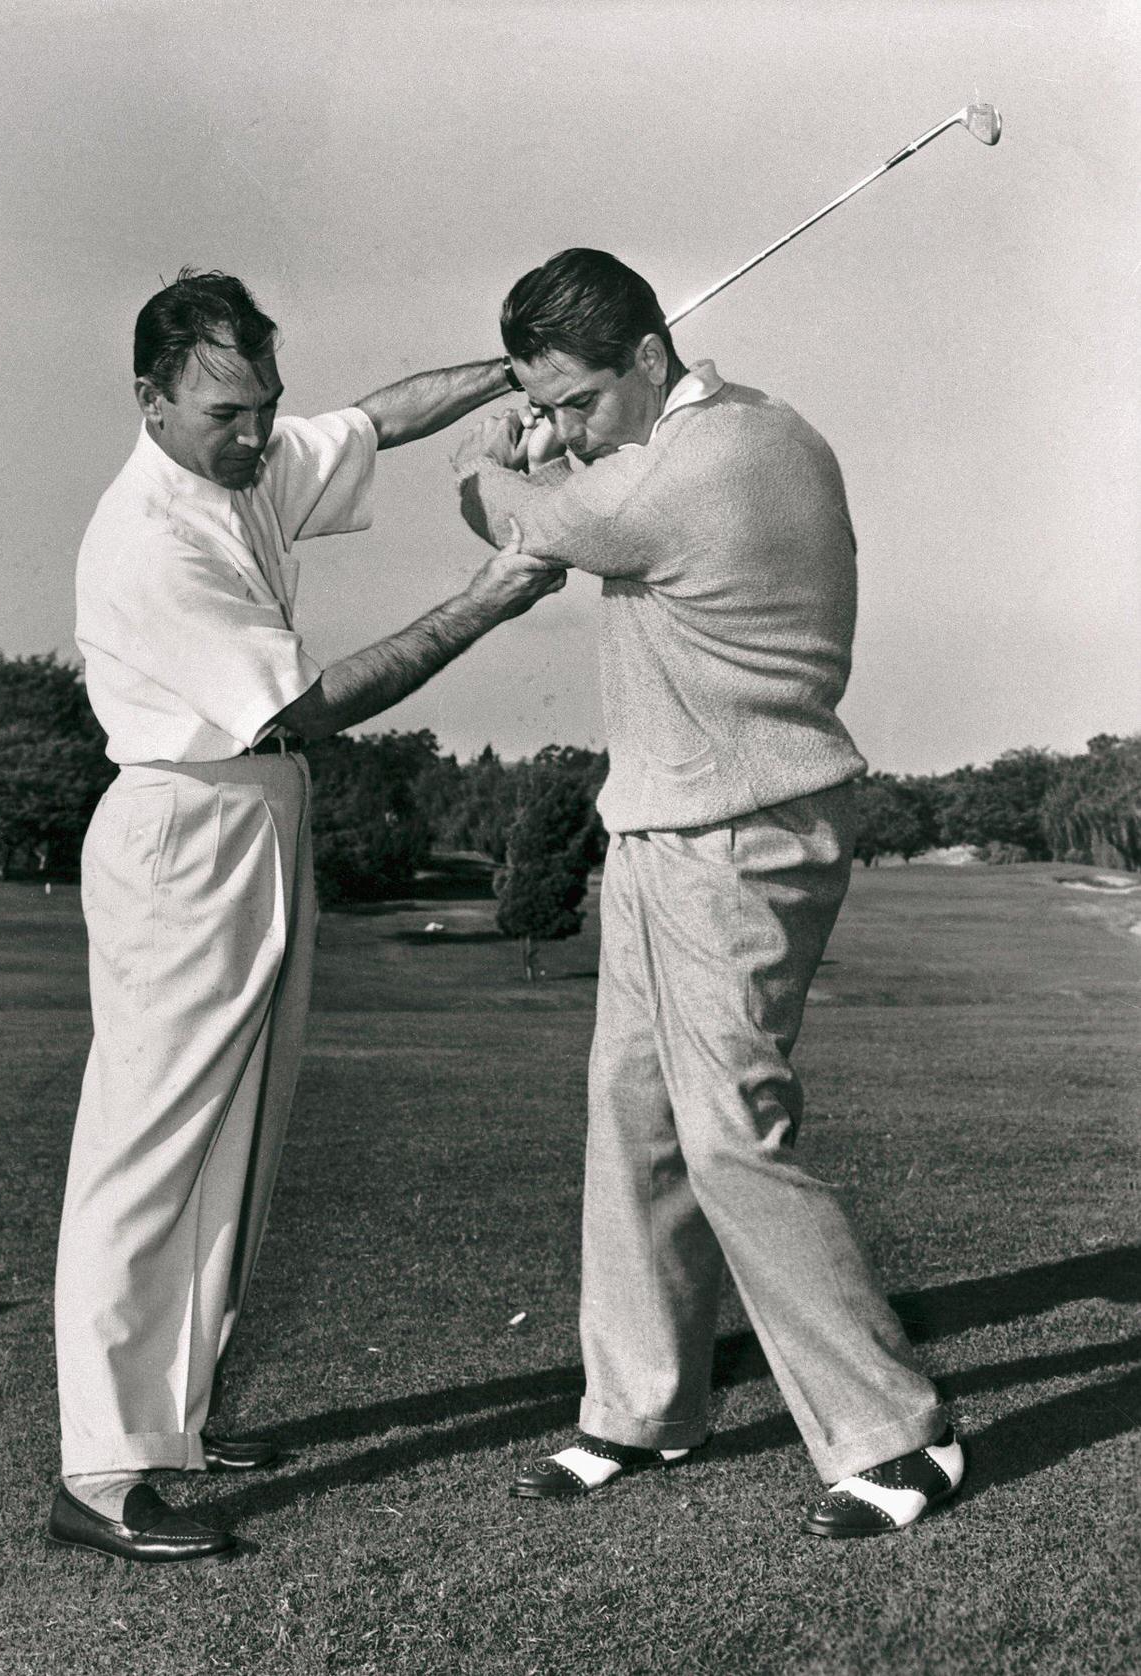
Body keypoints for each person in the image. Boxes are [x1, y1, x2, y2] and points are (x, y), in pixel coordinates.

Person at [49, 270, 564, 1565]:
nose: (258, 432)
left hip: (259, 811)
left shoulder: (245, 468)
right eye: (227, 412)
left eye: (266, 404)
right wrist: (488, 597)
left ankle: (179, 1422)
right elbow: (317, 700)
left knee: (243, 1137)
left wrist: (516, 371)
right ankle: (103, 1471)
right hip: (185, 821)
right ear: (151, 401)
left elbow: (380, 417)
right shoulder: (150, 536)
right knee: (149, 1145)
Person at [452, 248, 963, 1538]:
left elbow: (515, 515)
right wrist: (566, 440)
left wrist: (497, 454)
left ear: (647, 353)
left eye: (580, 401)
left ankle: (901, 1434)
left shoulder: (699, 467)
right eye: (548, 407)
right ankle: (641, 1409)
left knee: (732, 1131)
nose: (571, 429)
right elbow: (588, 490)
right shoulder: (755, 428)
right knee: (632, 1114)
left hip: (737, 830)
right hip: (666, 825)